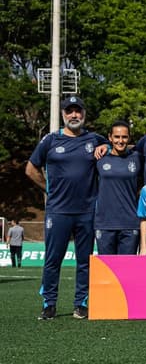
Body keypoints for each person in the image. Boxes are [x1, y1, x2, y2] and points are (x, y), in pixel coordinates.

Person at [26, 96, 108, 320]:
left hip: (87, 210)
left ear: (84, 114)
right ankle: (49, 303)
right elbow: (31, 169)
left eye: (78, 111)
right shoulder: (50, 140)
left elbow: (114, 145)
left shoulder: (95, 138)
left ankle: (80, 304)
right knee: (53, 259)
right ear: (63, 114)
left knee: (85, 260)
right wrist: (48, 189)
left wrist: (106, 146)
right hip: (58, 210)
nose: (74, 115)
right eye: (69, 111)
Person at [95, 120, 142, 255]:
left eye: (124, 137)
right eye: (116, 137)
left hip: (130, 223)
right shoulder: (99, 158)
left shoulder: (137, 157)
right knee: (106, 273)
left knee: (127, 272)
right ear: (110, 137)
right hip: (104, 223)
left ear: (129, 138)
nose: (120, 141)